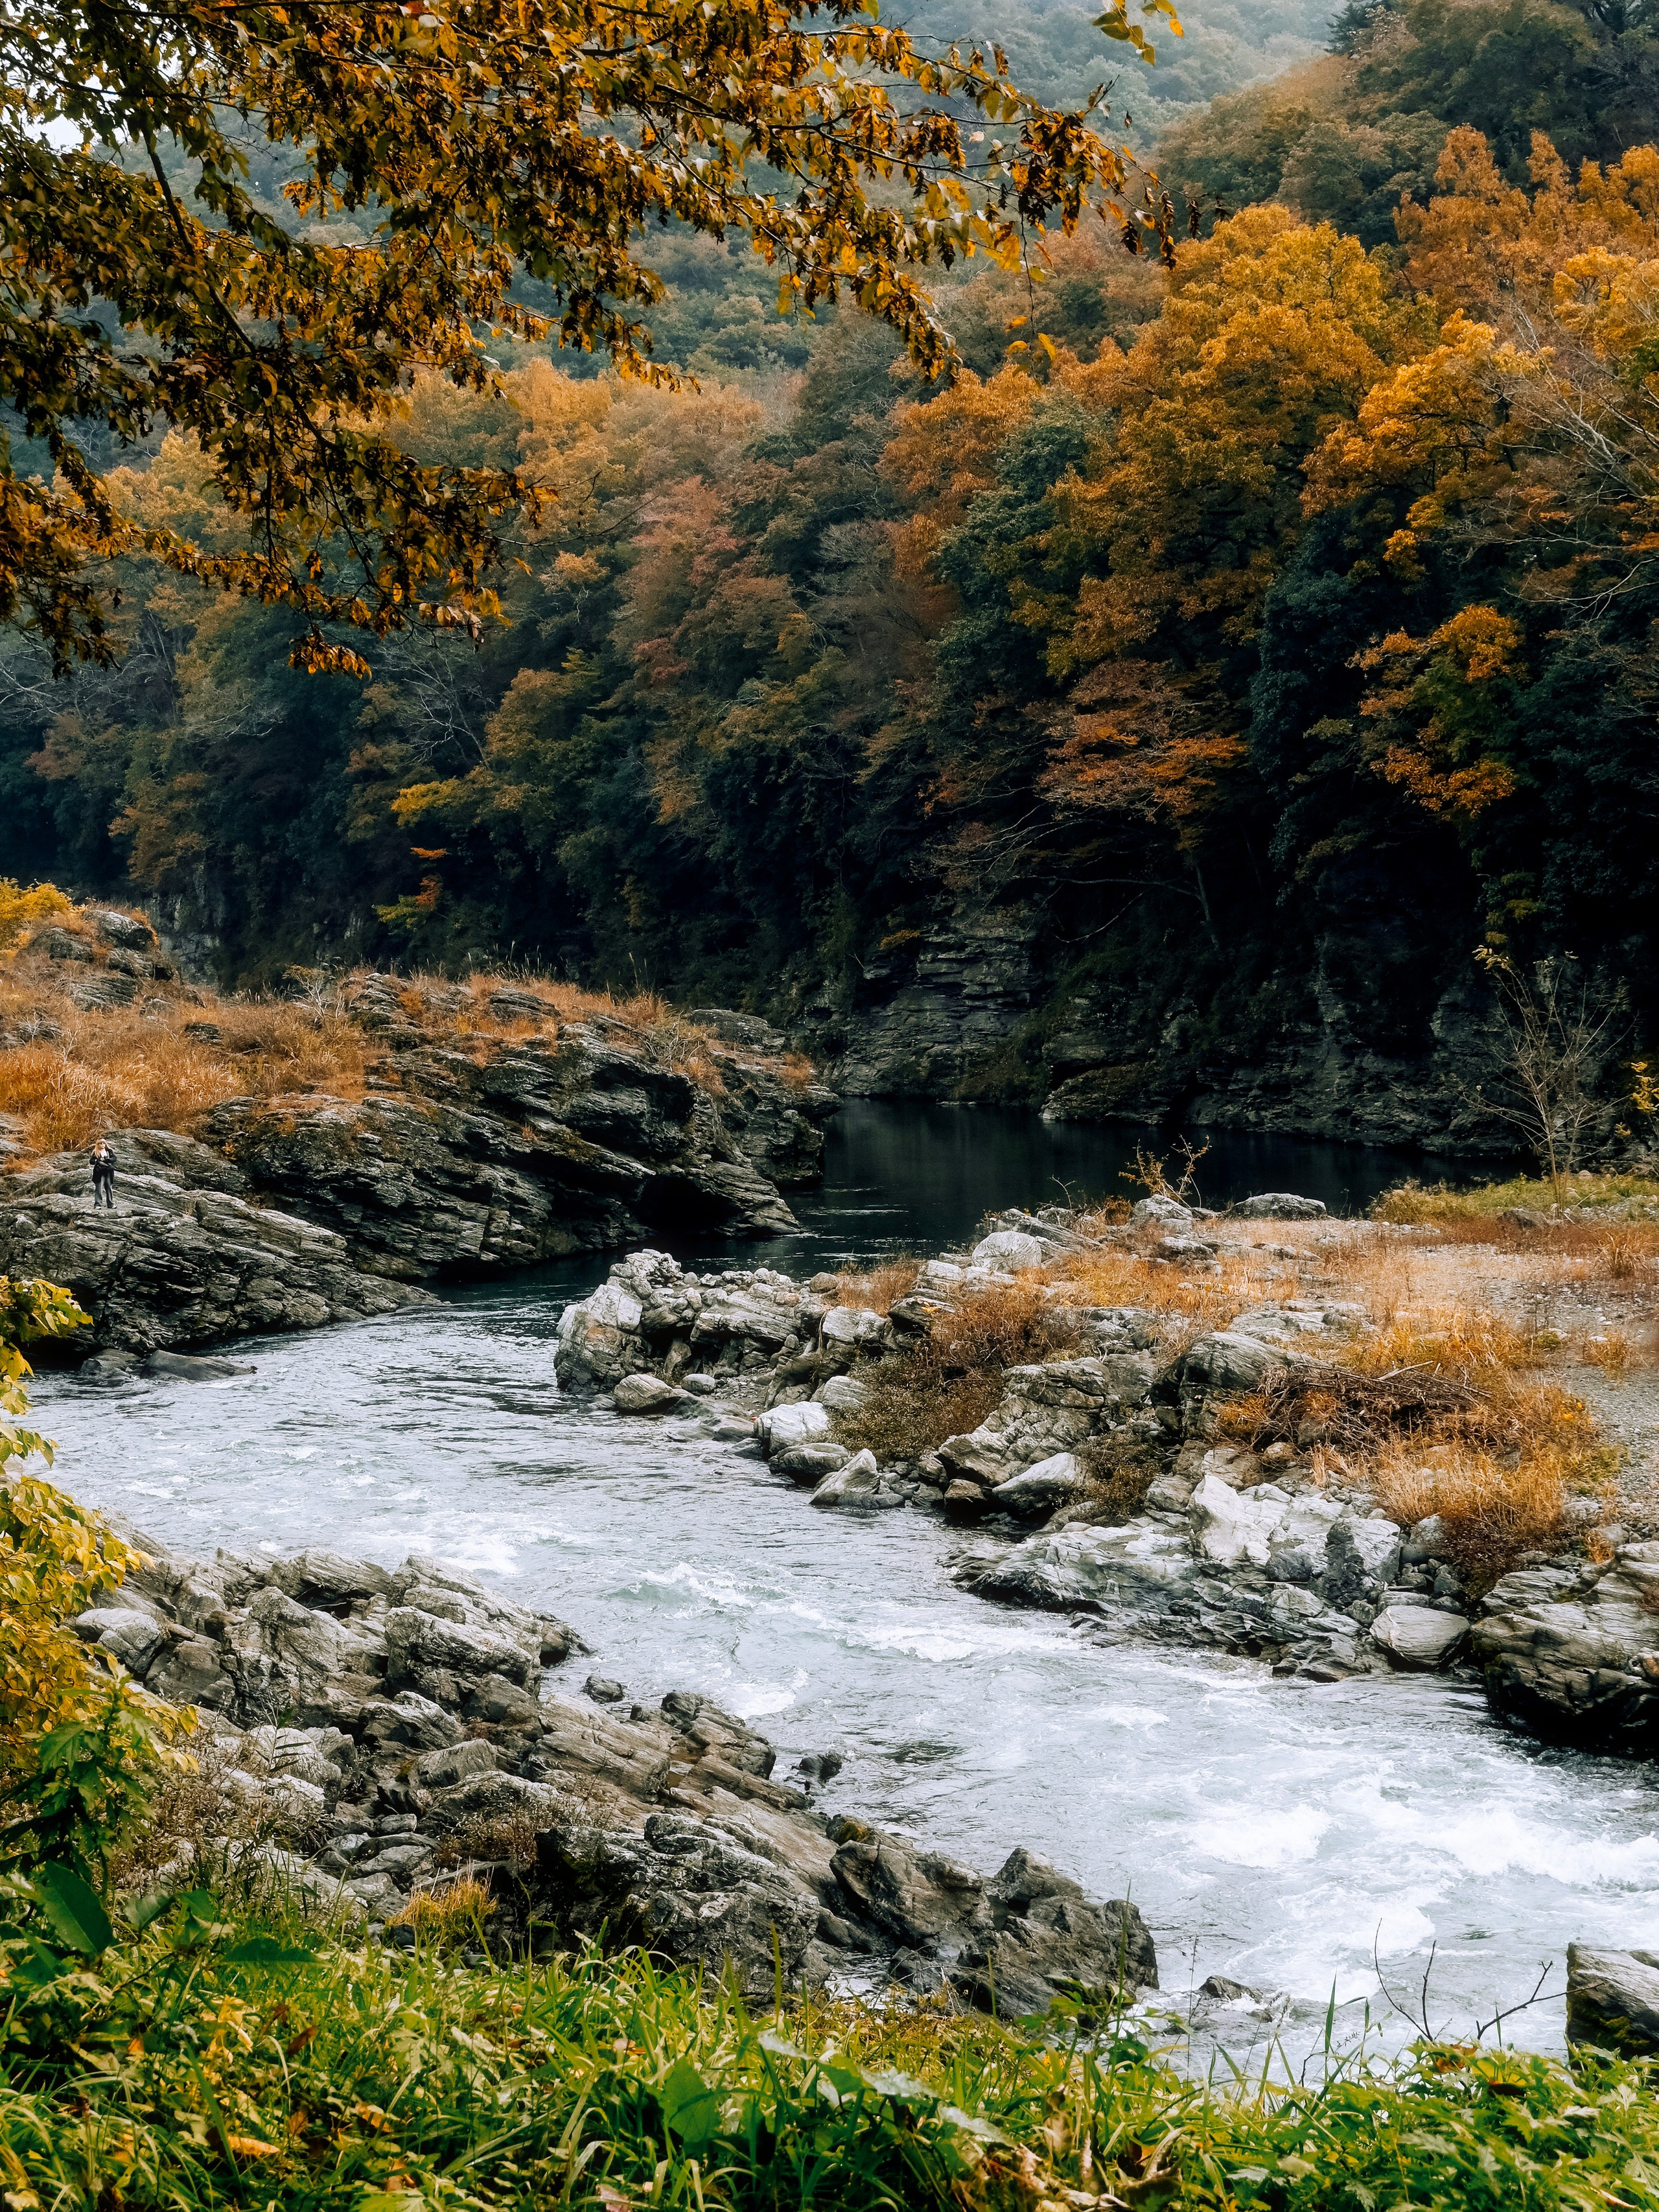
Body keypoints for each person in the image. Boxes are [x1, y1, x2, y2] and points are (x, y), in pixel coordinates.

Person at [90, 1137, 116, 1210]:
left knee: (109, 1188)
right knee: (99, 1189)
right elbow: (91, 1161)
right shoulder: (95, 1152)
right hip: (99, 1172)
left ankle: (110, 1204)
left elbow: (114, 1159)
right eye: (101, 1144)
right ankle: (98, 1204)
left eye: (104, 1143)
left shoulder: (110, 1151)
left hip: (108, 1171)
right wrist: (97, 1161)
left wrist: (108, 1160)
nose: (102, 1145)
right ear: (98, 1145)